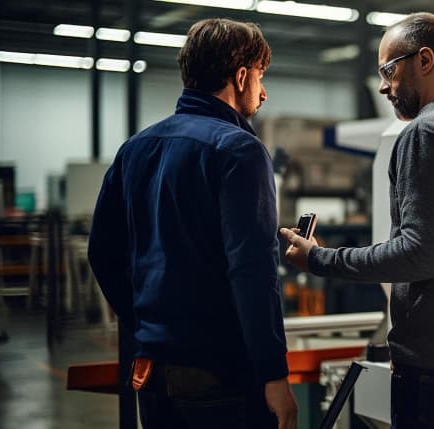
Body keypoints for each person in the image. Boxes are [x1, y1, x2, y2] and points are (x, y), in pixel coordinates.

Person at [280, 12, 434, 429]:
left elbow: (422, 255)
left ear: (425, 60)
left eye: (388, 69)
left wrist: (320, 259)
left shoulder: (427, 133)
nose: (382, 85)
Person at [88, 18, 296, 429]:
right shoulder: (240, 150)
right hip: (221, 379)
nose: (263, 91)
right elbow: (252, 272)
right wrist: (274, 375)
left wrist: (147, 323)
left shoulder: (135, 147)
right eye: (259, 77)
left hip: (151, 373)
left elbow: (102, 251)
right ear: (240, 76)